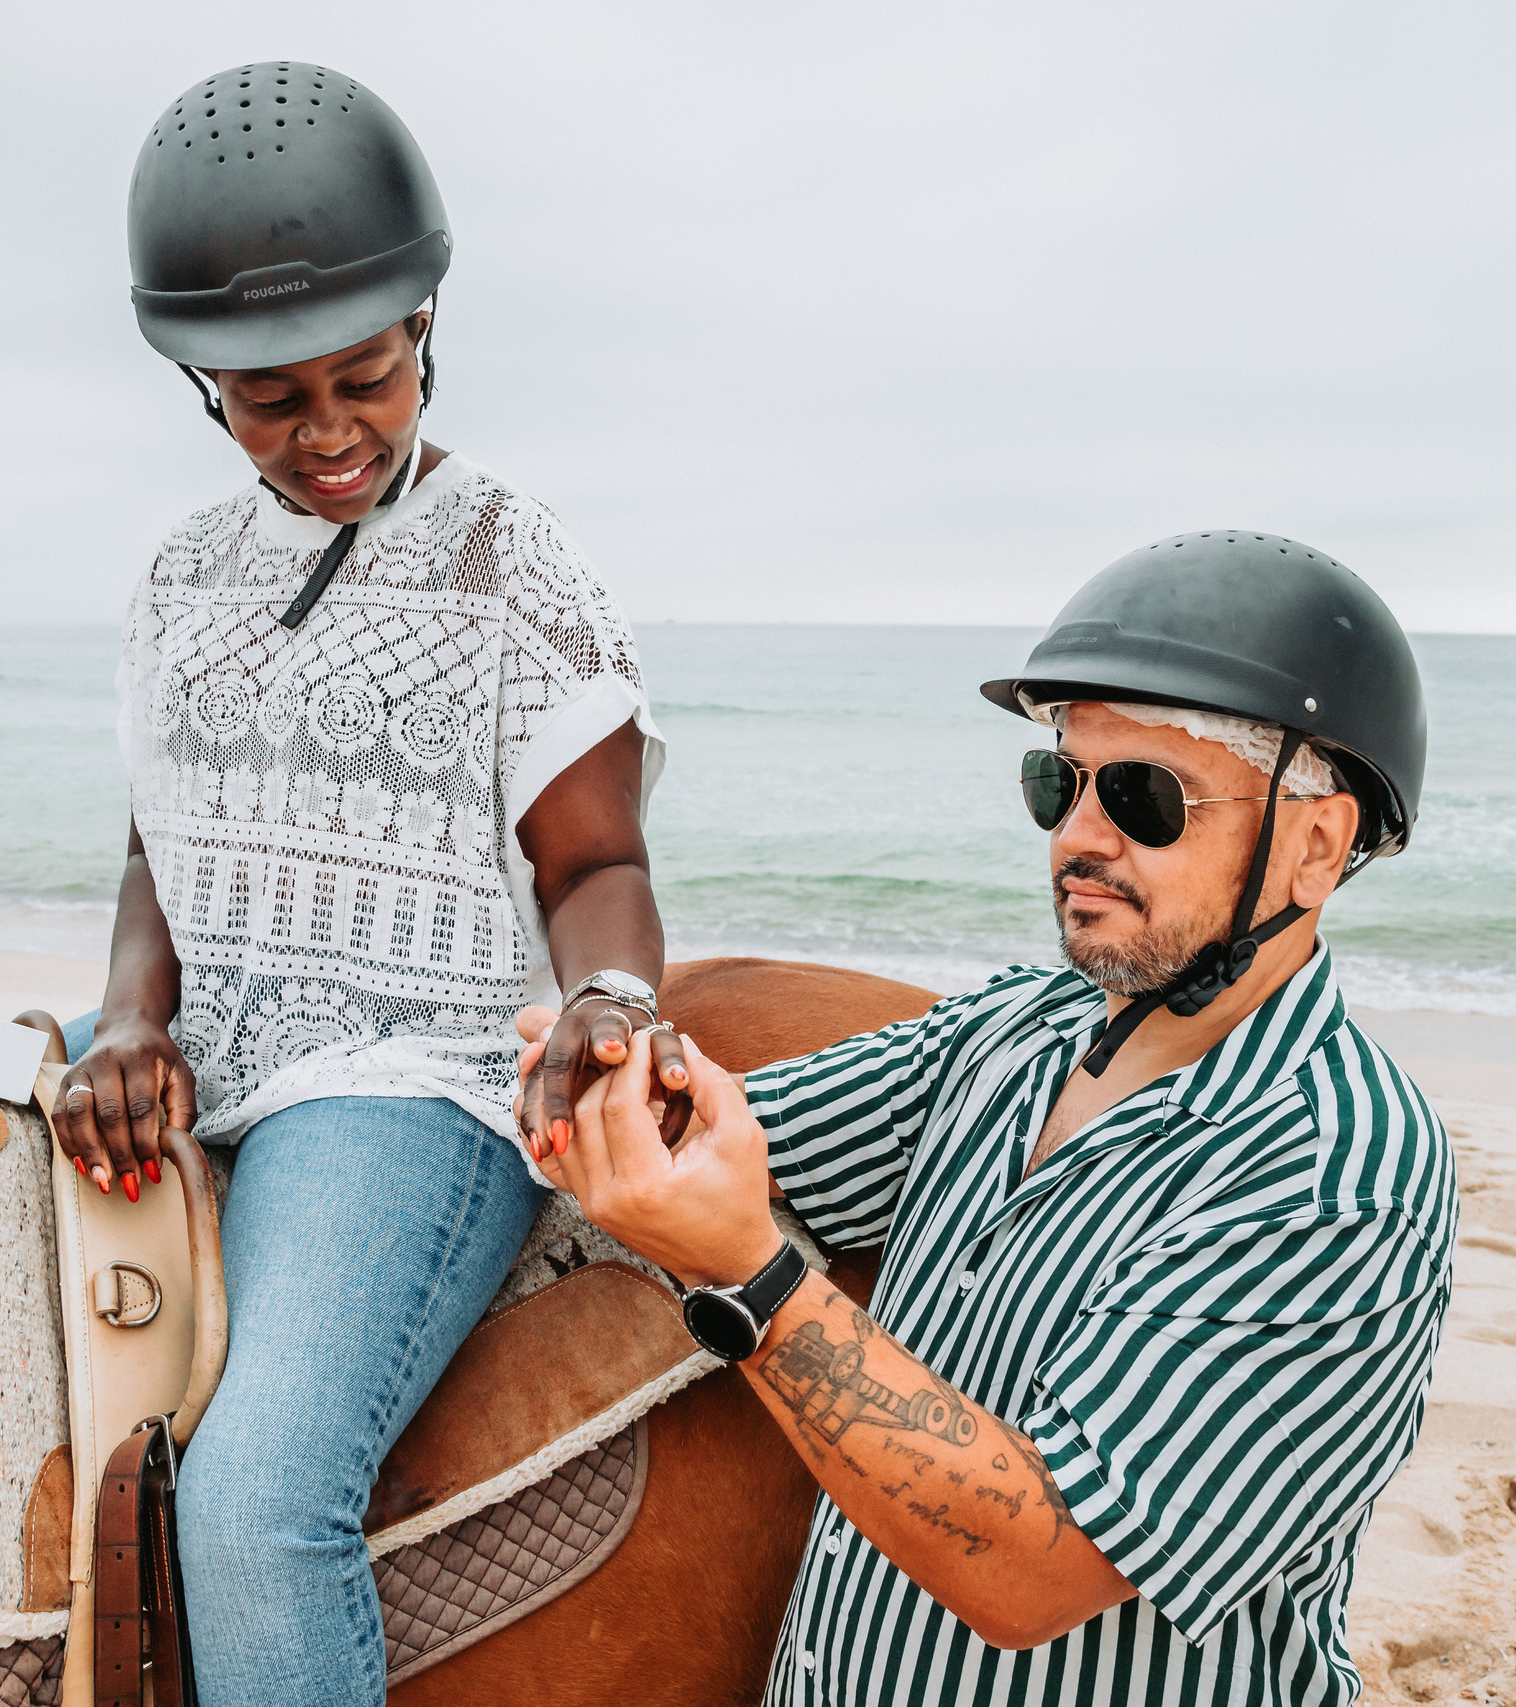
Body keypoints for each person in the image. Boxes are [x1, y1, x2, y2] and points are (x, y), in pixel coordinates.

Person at [520, 531, 1454, 1705]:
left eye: (1144, 797)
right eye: (1058, 782)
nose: (1077, 835)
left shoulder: (1335, 1173)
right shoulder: (1012, 1031)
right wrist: (608, 1059)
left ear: (1314, 846)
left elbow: (1035, 1566)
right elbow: (725, 1136)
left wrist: (749, 1279)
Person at [48, 60, 688, 1707]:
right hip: (210, 1073)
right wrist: (128, 1016)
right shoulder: (179, 578)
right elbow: (156, 852)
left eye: (369, 376)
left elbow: (599, 860)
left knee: (257, 1508)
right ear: (202, 385)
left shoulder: (512, 560)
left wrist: (611, 1003)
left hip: (407, 1083)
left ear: (423, 335)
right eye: (275, 401)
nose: (332, 432)